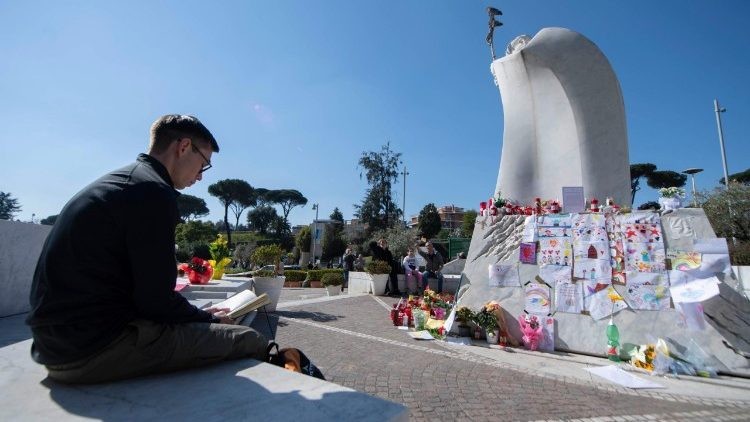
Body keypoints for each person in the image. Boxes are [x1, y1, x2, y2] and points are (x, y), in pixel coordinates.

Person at [26, 114, 270, 384]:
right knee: (247, 339)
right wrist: (204, 318)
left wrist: (196, 316)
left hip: (53, 345)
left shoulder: (123, 182)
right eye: (203, 164)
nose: (200, 176)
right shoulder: (152, 192)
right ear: (184, 146)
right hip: (91, 350)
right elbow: (155, 301)